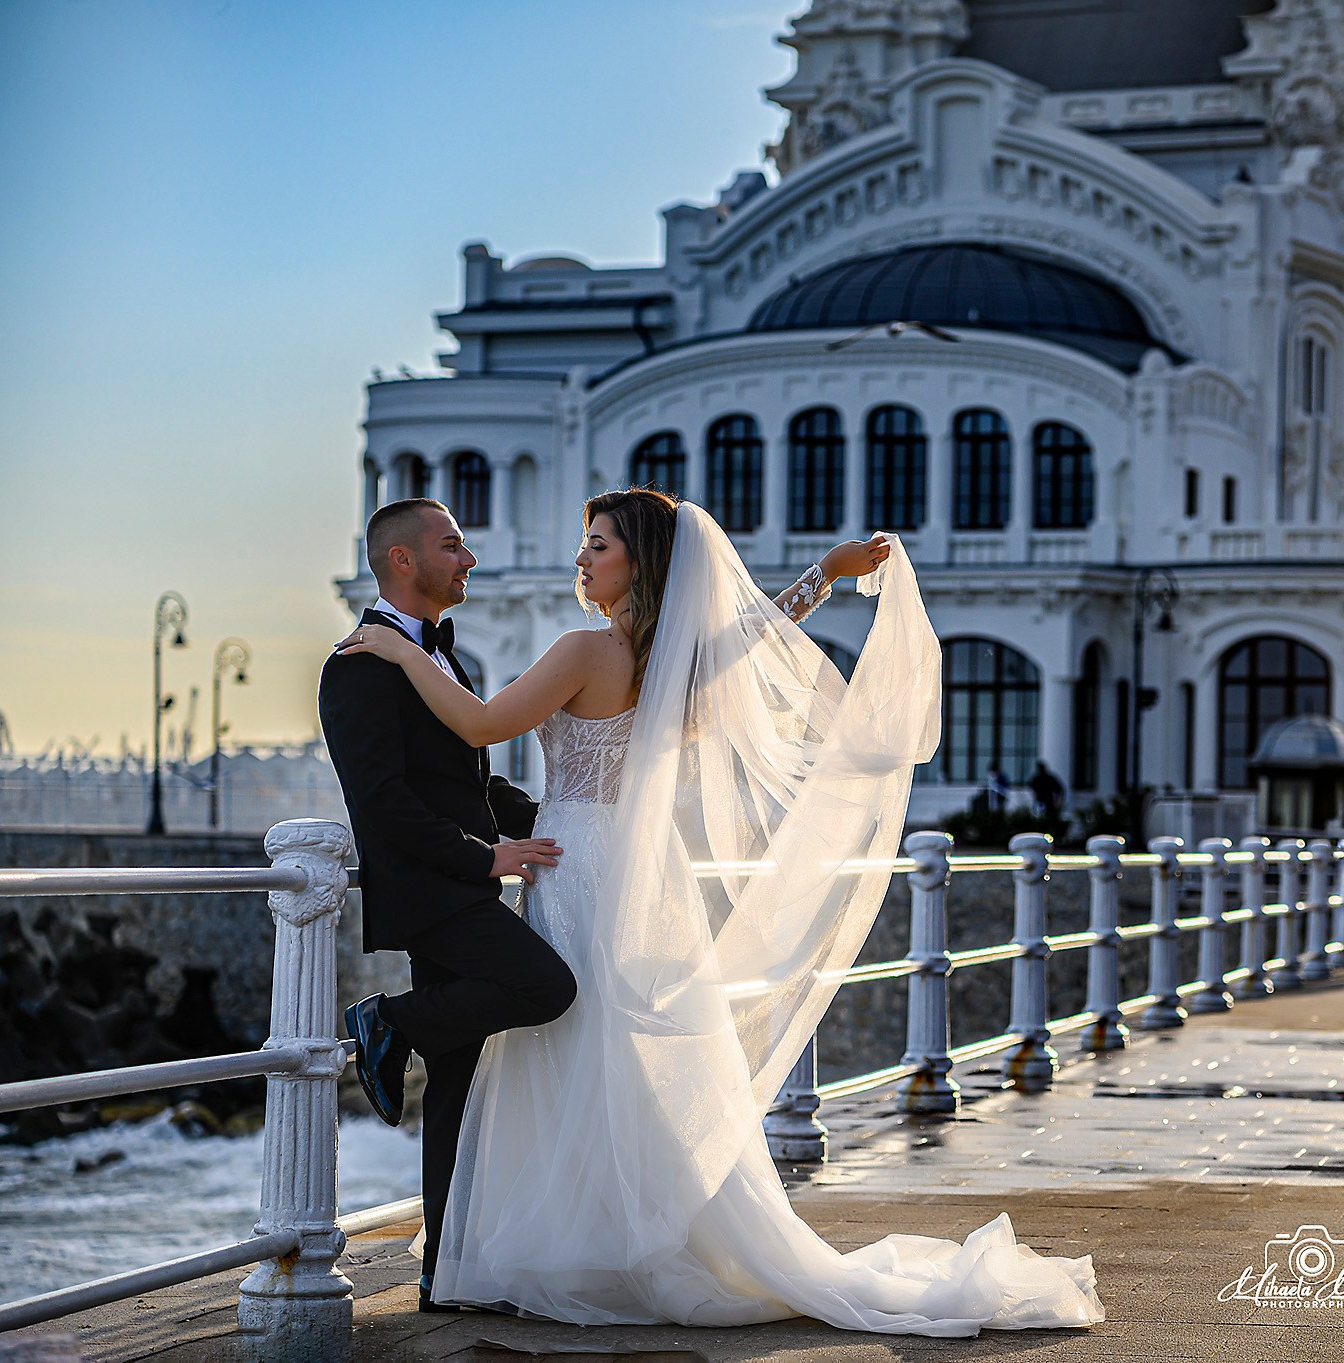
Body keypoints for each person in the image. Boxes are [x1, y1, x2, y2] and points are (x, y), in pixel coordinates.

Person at [334, 488, 1102, 1334]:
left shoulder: (585, 650)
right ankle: (572, 1243)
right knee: (613, 1057)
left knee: (570, 1047)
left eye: (598, 545)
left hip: (581, 871)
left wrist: (401, 657)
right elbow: (759, 636)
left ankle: (544, 1233)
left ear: (642, 564)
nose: (581, 558)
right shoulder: (679, 664)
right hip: (641, 875)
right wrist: (828, 575)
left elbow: (480, 729)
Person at [320, 497, 578, 1313]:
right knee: (548, 986)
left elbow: (469, 783)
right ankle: (387, 1021)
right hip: (432, 891)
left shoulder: (429, 654)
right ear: (402, 560)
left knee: (459, 1085)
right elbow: (383, 802)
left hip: (462, 883)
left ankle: (446, 1269)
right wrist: (485, 855)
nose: (469, 558)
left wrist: (563, 826)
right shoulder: (358, 664)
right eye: (452, 544)